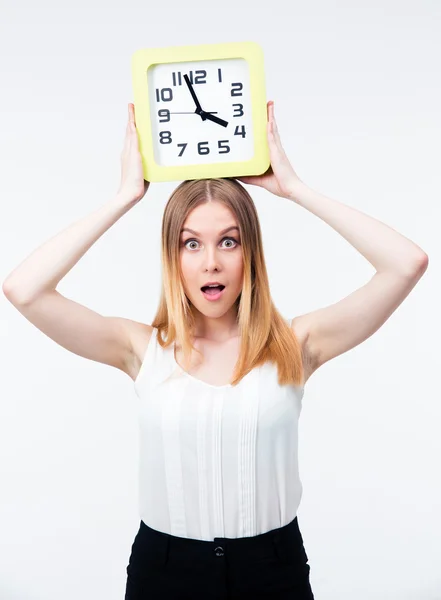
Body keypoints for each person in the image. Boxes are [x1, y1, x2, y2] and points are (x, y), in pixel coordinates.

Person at [3, 101, 428, 600]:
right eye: (190, 244)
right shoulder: (141, 349)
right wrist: (124, 196)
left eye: (228, 242)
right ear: (172, 256)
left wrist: (294, 189)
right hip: (165, 571)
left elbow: (407, 263)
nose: (211, 263)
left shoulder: (296, 345)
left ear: (251, 252)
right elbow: (24, 290)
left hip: (272, 570)